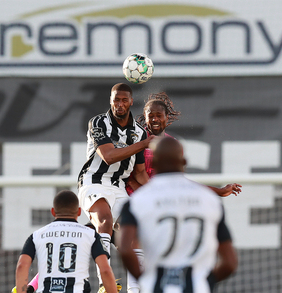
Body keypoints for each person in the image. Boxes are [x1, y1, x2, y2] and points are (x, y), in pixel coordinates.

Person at [124, 92, 241, 293]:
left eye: (159, 115)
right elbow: (129, 175)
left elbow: (183, 183)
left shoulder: (171, 144)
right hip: (139, 197)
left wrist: (218, 190)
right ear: (144, 116)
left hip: (159, 201)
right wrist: (205, 282)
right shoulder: (136, 141)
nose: (154, 119)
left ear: (167, 118)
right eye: (150, 115)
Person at [77, 83, 154, 292]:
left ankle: (135, 289)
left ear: (130, 101)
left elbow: (139, 173)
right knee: (105, 219)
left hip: (118, 188)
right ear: (110, 101)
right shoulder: (99, 122)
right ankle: (105, 285)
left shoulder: (139, 132)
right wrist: (143, 144)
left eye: (123, 100)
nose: (119, 104)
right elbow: (109, 157)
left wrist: (160, 192)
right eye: (115, 100)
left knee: (134, 234)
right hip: (93, 181)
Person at [15, 190, 118, 293]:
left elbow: (21, 266)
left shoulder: (37, 235)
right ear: (79, 211)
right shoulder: (90, 235)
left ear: (53, 211)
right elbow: (105, 270)